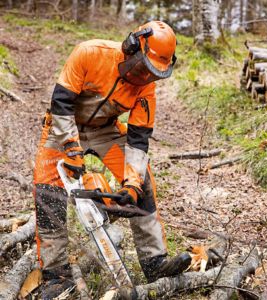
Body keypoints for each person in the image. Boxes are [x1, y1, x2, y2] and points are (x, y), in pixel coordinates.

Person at [34, 20, 191, 299]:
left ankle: (155, 263)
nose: (145, 77)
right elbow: (61, 103)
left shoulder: (147, 87)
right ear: (131, 48)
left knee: (142, 181)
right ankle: (55, 276)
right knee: (48, 193)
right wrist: (71, 149)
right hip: (64, 126)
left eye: (153, 73)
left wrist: (131, 184)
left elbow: (139, 138)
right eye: (143, 68)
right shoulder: (90, 53)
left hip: (106, 129)